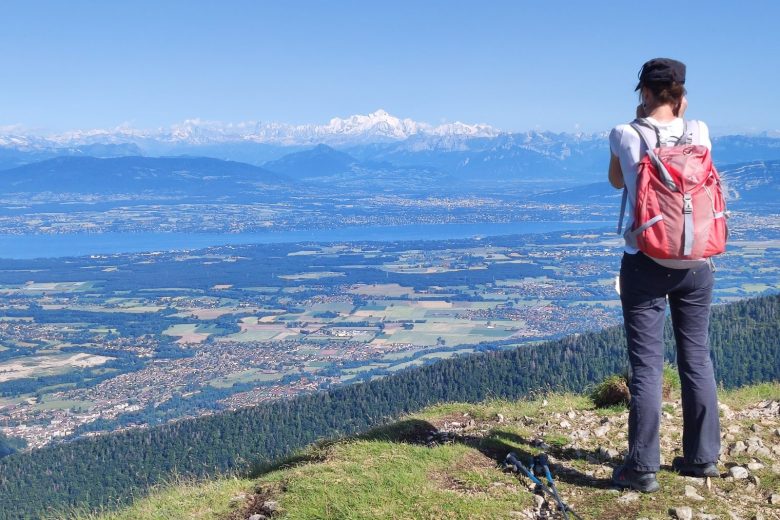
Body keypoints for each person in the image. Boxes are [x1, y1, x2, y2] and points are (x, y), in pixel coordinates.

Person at [607, 58, 722, 493]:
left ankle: (643, 467)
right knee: (697, 358)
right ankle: (703, 458)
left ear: (645, 92)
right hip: (697, 263)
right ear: (680, 94)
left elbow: (617, 181)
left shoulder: (624, 133)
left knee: (647, 365)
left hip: (646, 261)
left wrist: (640, 125)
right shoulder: (701, 131)